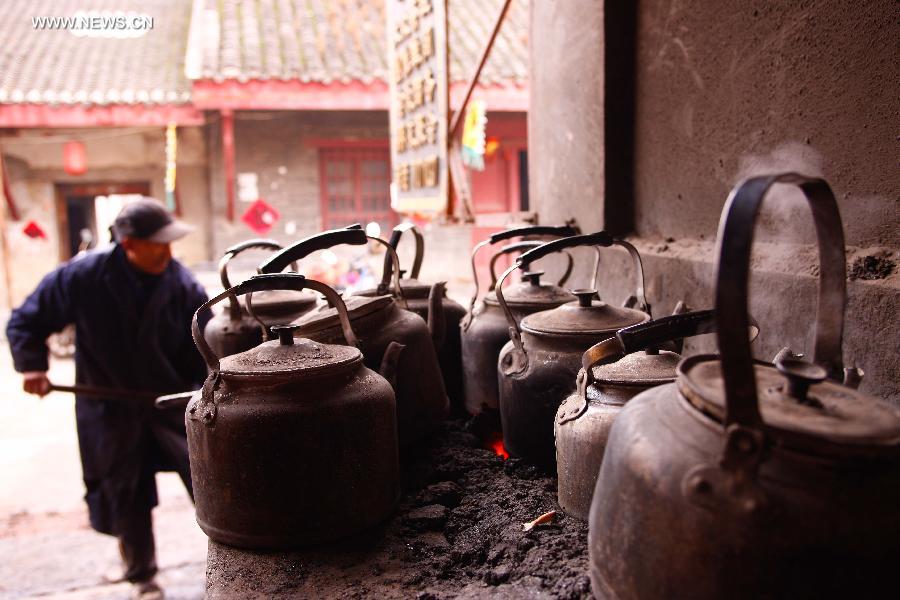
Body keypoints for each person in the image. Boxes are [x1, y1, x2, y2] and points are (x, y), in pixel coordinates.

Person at [6, 198, 212, 600]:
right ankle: (141, 576)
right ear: (129, 243)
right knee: (125, 491)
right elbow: (26, 320)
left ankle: (236, 558)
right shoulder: (83, 276)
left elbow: (207, 339)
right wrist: (32, 366)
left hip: (170, 400)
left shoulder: (182, 284)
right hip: (109, 405)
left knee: (208, 480)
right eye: (157, 243)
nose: (167, 251)